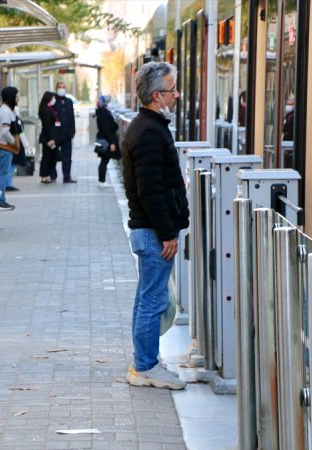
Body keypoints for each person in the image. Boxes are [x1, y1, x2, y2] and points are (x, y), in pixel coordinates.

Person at [121, 62, 189, 390]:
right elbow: (150, 188)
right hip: (153, 232)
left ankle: (144, 361)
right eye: (171, 90)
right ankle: (146, 366)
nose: (176, 95)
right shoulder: (149, 131)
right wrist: (167, 232)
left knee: (147, 297)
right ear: (155, 95)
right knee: (153, 299)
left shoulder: (147, 126)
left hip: (148, 230)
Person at [0, 86, 20, 209]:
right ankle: (0, 200)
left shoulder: (7, 110)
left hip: (6, 147)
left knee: (4, 172)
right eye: (16, 96)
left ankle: (1, 198)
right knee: (3, 173)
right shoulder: (5, 111)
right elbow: (5, 131)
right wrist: (14, 142)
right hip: (5, 147)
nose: (17, 99)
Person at [51, 81, 76, 183]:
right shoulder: (53, 101)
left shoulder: (69, 101)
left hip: (67, 133)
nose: (61, 89)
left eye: (63, 87)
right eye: (59, 87)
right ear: (56, 89)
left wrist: (72, 130)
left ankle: (67, 176)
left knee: (67, 156)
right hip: (56, 133)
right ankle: (53, 176)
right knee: (53, 155)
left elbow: (72, 117)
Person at [95, 95, 120, 186]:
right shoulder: (103, 113)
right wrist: (112, 143)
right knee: (104, 161)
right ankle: (102, 181)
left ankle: (102, 180)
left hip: (104, 140)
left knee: (104, 161)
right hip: (106, 141)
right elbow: (106, 130)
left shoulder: (102, 112)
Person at [38, 91, 58, 184]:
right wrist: (51, 138)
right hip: (47, 137)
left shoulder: (48, 108)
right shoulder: (45, 109)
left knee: (49, 157)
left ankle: (46, 175)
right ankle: (44, 176)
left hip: (49, 136)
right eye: (53, 98)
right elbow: (47, 125)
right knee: (46, 157)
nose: (54, 100)